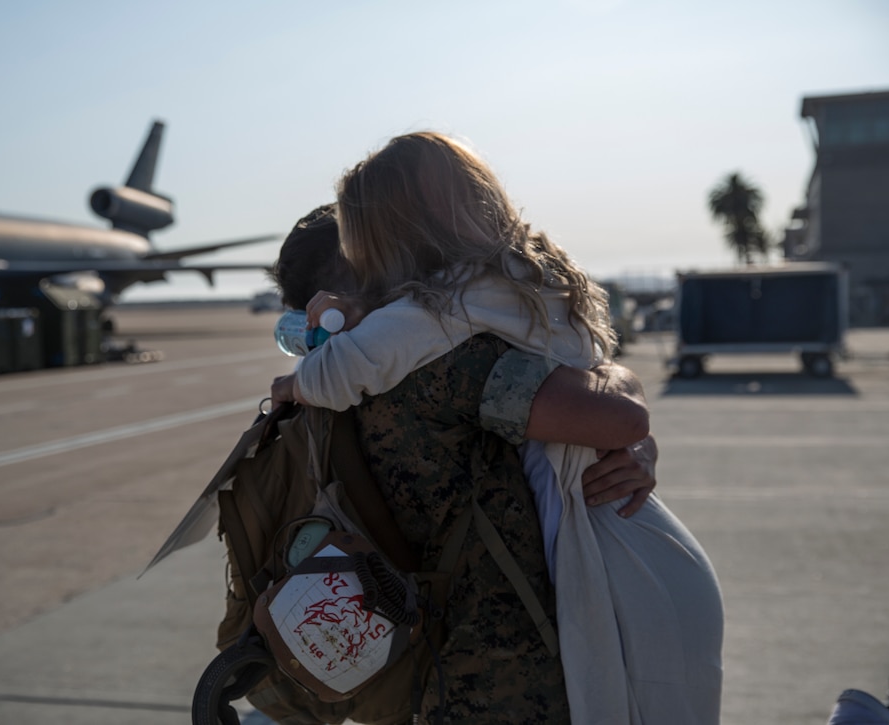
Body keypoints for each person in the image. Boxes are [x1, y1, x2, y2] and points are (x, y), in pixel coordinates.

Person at [276, 132, 724, 724]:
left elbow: (618, 414)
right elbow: (606, 394)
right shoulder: (460, 320)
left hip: (529, 657)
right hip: (593, 602)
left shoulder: (435, 341)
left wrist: (294, 382)